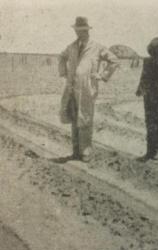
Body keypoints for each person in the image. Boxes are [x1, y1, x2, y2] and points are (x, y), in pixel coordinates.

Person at [58, 17, 119, 162]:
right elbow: (61, 57)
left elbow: (114, 60)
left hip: (87, 89)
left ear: (87, 30)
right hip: (72, 88)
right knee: (74, 119)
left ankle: (85, 152)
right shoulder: (71, 47)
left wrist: (102, 75)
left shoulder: (97, 47)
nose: (79, 33)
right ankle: (75, 151)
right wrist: (64, 74)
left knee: (85, 119)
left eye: (82, 30)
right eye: (77, 30)